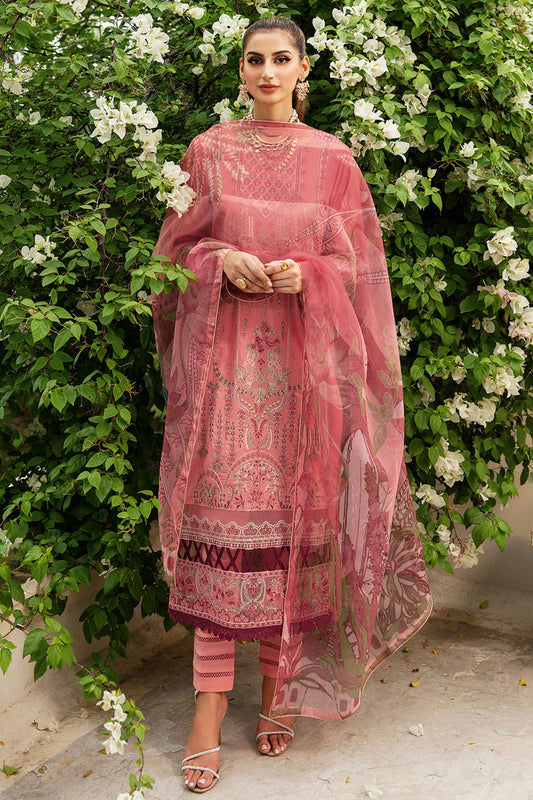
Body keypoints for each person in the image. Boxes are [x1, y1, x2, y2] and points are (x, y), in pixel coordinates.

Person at [152, 16, 432, 794]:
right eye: (255, 60)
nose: (268, 72)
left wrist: (309, 274)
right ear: (240, 70)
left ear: (304, 68)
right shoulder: (208, 151)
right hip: (226, 376)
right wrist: (220, 261)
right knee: (219, 533)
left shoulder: (332, 160)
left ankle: (279, 687)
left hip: (306, 383)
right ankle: (209, 708)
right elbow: (173, 255)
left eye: (282, 59)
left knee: (295, 536)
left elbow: (357, 264)